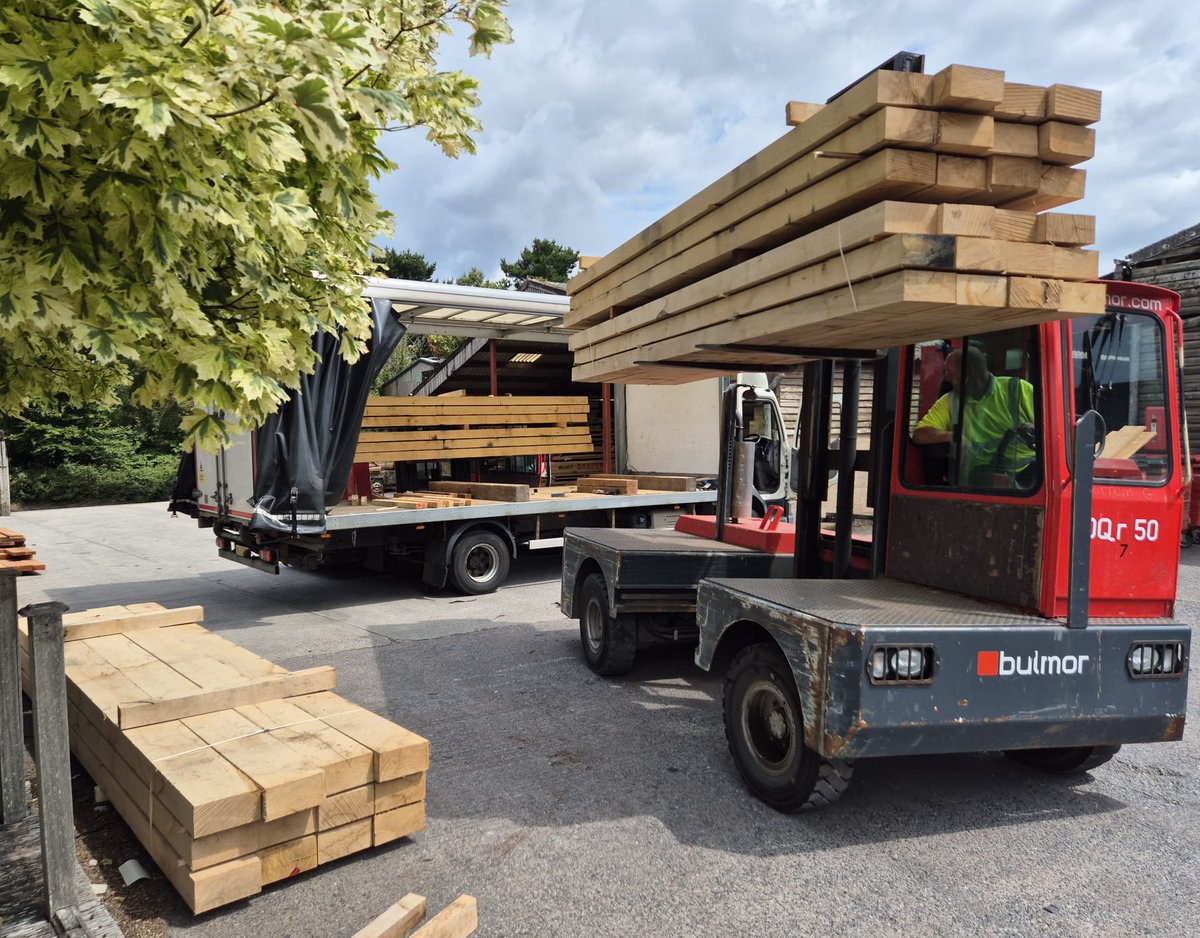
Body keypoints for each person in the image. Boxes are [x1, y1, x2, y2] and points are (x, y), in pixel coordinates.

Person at [911, 344, 1037, 488]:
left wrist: (1034, 428)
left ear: (968, 373)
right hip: (979, 477)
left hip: (1026, 474)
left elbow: (1053, 427)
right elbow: (919, 435)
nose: (946, 379)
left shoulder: (1018, 389)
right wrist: (955, 436)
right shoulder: (950, 400)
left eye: (949, 372)